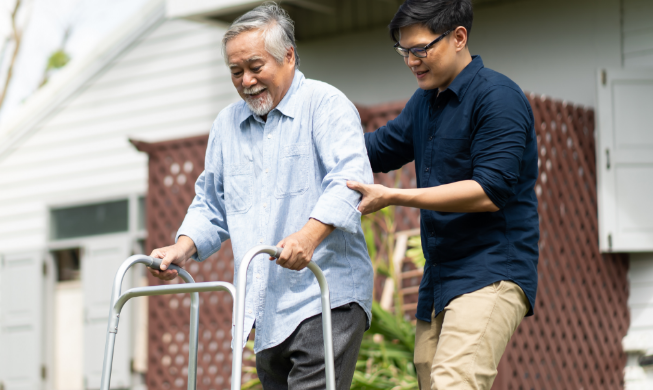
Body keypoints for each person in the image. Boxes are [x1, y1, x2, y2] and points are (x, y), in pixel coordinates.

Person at [147, 3, 374, 389]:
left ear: (288, 56)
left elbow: (349, 180)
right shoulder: (226, 125)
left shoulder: (325, 104)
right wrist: (181, 248)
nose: (246, 80)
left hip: (325, 295)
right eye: (236, 72)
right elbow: (211, 204)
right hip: (265, 308)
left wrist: (308, 236)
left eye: (255, 67)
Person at [345, 1, 539, 389]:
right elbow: (375, 150)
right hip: (439, 279)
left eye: (420, 49)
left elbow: (488, 191)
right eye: (404, 51)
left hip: (491, 271)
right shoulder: (425, 102)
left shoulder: (498, 98)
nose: (411, 61)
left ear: (458, 37)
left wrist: (395, 197)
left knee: (455, 382)